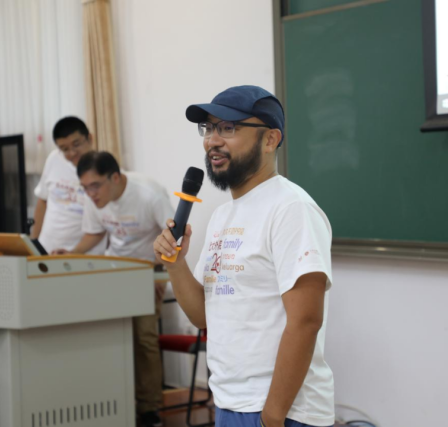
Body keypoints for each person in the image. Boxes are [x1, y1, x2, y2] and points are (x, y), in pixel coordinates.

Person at [153, 86, 335, 427]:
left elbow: (306, 321)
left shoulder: (291, 208)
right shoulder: (223, 216)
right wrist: (175, 263)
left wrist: (272, 416)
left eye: (228, 128)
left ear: (270, 140)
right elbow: (204, 316)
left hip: (283, 411)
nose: (212, 140)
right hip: (229, 403)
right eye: (208, 128)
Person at [54, 151, 174, 427]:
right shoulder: (94, 200)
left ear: (115, 178)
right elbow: (95, 233)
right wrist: (72, 254)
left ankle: (149, 408)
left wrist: (162, 274)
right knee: (109, 336)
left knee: (144, 338)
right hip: (114, 272)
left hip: (147, 272)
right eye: (85, 188)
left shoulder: (149, 194)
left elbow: (173, 236)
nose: (91, 194)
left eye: (95, 186)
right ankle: (116, 403)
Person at [31, 116, 106, 254]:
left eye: (76, 144)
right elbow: (43, 200)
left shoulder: (104, 169)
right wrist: (33, 243)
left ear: (89, 138)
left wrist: (73, 253)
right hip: (46, 250)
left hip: (84, 255)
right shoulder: (54, 159)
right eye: (64, 149)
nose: (72, 153)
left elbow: (103, 225)